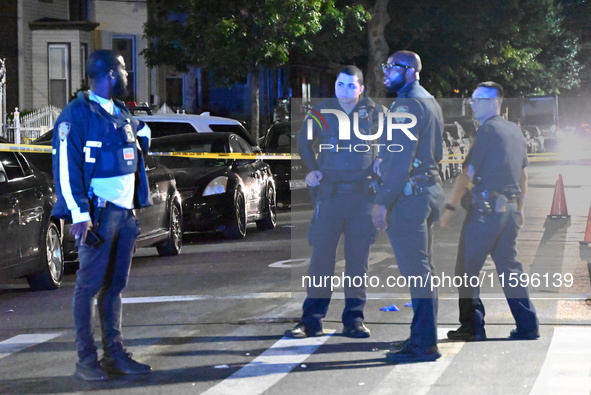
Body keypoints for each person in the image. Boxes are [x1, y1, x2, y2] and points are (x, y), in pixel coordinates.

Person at [52, 50, 153, 381]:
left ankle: (115, 356)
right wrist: (79, 214)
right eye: (124, 70)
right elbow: (66, 170)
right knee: (88, 287)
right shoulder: (76, 115)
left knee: (114, 287)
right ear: (110, 74)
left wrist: (143, 135)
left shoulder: (120, 112)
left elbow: (134, 140)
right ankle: (86, 360)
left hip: (124, 215)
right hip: (98, 215)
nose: (127, 76)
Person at [285, 65, 382, 339]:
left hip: (363, 197)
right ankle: (311, 320)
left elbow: (391, 139)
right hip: (330, 196)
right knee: (321, 260)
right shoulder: (322, 111)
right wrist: (311, 169)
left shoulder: (374, 112)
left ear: (361, 88)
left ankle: (354, 320)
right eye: (341, 84)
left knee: (357, 263)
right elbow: (304, 142)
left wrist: (382, 158)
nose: (345, 90)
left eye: (352, 85)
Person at [439, 81, 539, 341]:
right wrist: (520, 209)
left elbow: (466, 174)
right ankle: (528, 325)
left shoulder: (488, 131)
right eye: (473, 98)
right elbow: (523, 176)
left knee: (466, 270)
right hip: (509, 210)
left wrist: (450, 207)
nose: (473, 103)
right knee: (510, 268)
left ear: (495, 102)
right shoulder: (515, 130)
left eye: (479, 99)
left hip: (485, 213)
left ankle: (473, 327)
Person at [372, 50, 445, 363]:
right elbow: (436, 152)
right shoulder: (429, 100)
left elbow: (402, 163)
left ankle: (425, 343)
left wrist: (382, 202)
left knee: (418, 273)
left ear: (411, 70)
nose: (385, 71)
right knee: (422, 270)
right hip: (428, 192)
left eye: (392, 66)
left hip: (408, 197)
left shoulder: (406, 104)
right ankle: (422, 336)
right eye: (385, 65)